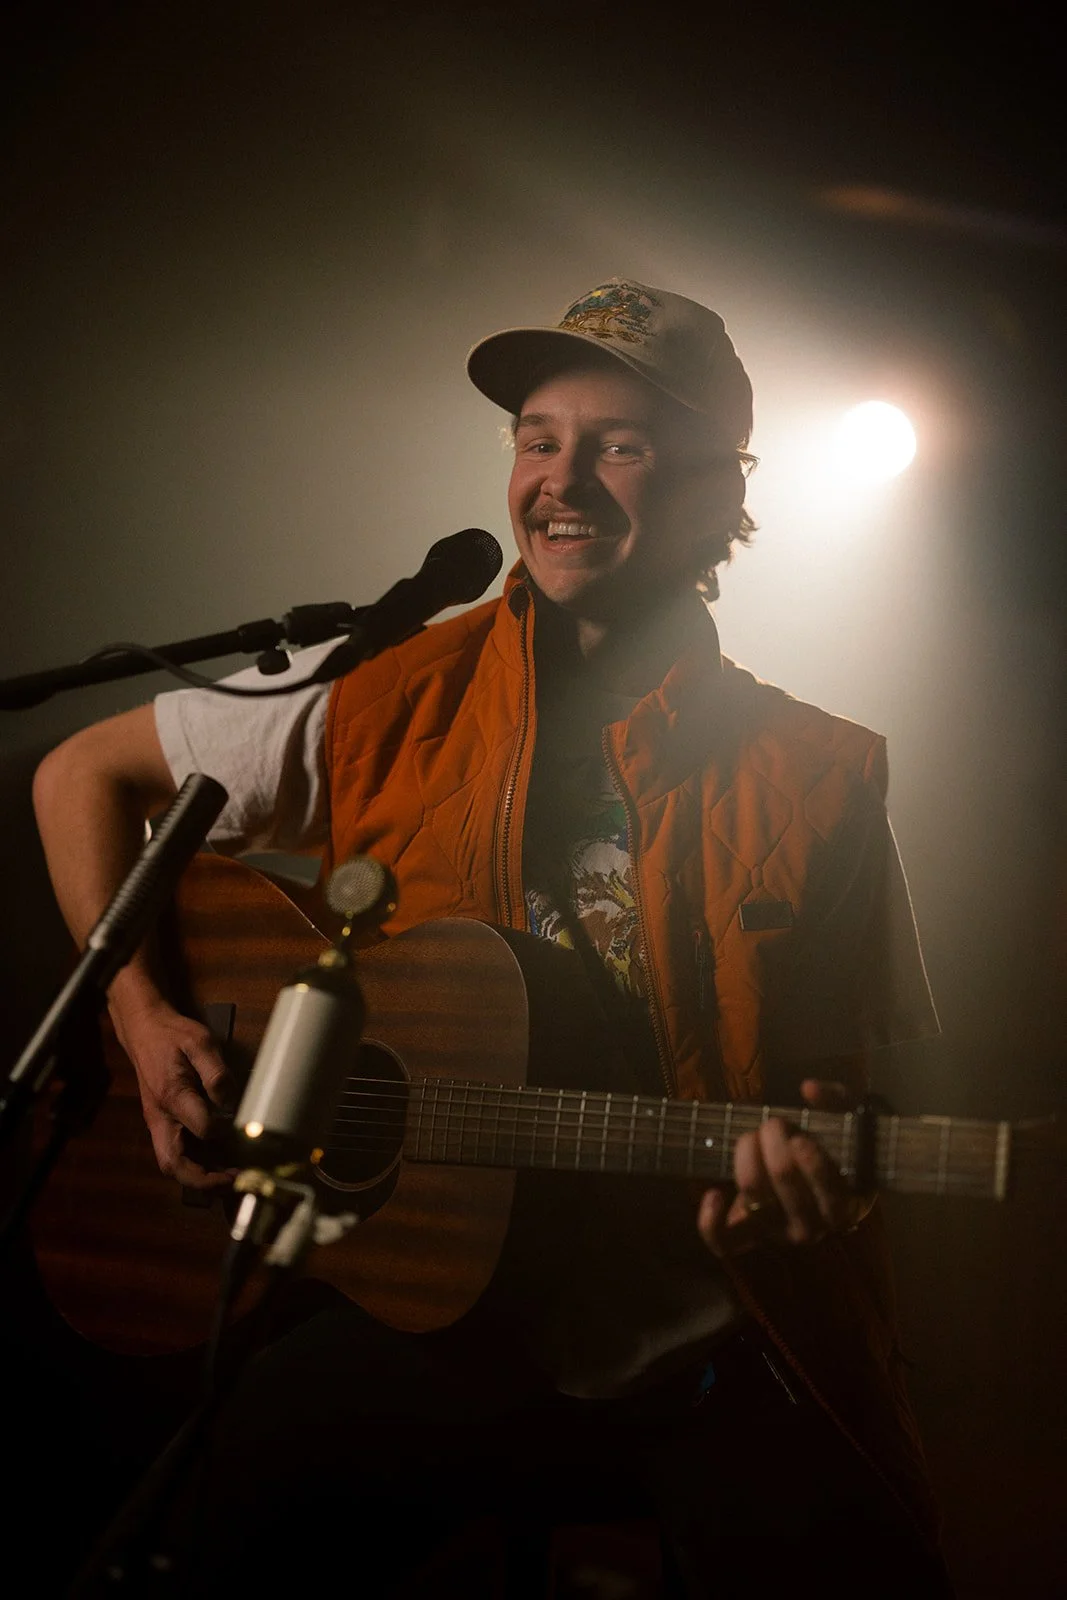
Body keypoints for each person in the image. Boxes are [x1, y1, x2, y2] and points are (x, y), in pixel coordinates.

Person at [32, 278, 950, 1596]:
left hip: (700, 1333)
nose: (559, 479)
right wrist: (140, 1013)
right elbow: (79, 778)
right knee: (179, 1545)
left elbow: (871, 1094)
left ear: (714, 492)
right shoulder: (382, 692)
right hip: (428, 1312)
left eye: (618, 445)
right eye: (536, 436)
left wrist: (811, 1182)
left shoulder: (817, 777)